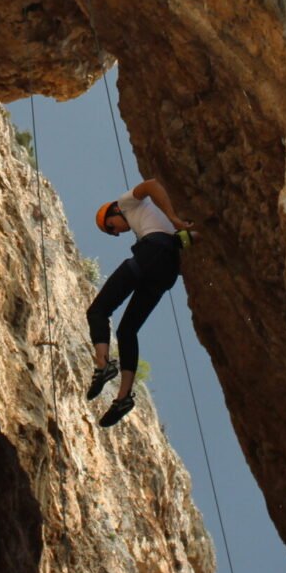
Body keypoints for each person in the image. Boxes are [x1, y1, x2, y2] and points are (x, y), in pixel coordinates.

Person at [85, 178, 192, 427]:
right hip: (166, 270)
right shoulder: (144, 220)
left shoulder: (126, 203)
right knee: (127, 331)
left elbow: (153, 184)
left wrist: (174, 217)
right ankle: (123, 398)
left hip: (151, 254)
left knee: (98, 311)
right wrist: (179, 226)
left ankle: (103, 365)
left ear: (113, 211)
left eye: (109, 227)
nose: (114, 233)